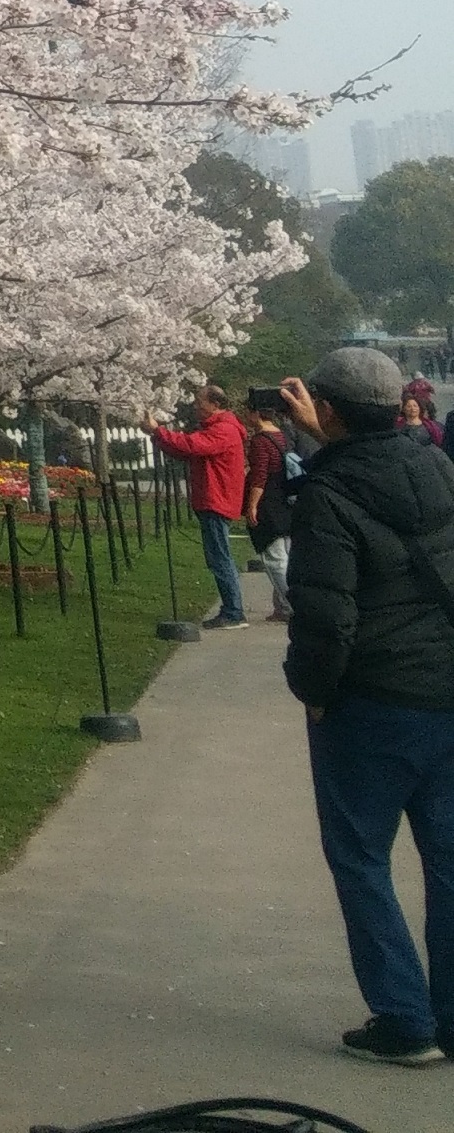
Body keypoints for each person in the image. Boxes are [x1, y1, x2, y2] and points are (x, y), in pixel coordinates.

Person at [281, 345, 454, 1069]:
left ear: (326, 410)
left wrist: (312, 691)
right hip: (445, 688)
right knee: (447, 859)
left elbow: (325, 616)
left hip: (372, 700)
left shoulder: (328, 491)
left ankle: (403, 1017)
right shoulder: (434, 466)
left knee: (358, 855)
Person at [153, 381, 253, 627]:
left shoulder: (224, 429)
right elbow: (187, 450)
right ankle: (231, 609)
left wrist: (158, 432)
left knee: (220, 557)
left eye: (200, 402)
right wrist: (158, 436)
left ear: (215, 404)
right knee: (217, 556)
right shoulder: (220, 428)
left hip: (216, 500)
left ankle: (233, 612)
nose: (196, 406)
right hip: (213, 499)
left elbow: (192, 445)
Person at [250, 391, 308, 621]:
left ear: (255, 414)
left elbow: (259, 476)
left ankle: (295, 605)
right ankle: (282, 607)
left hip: (269, 501)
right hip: (285, 499)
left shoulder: (260, 441)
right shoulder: (282, 436)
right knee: (285, 553)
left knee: (275, 560)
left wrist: (252, 505)